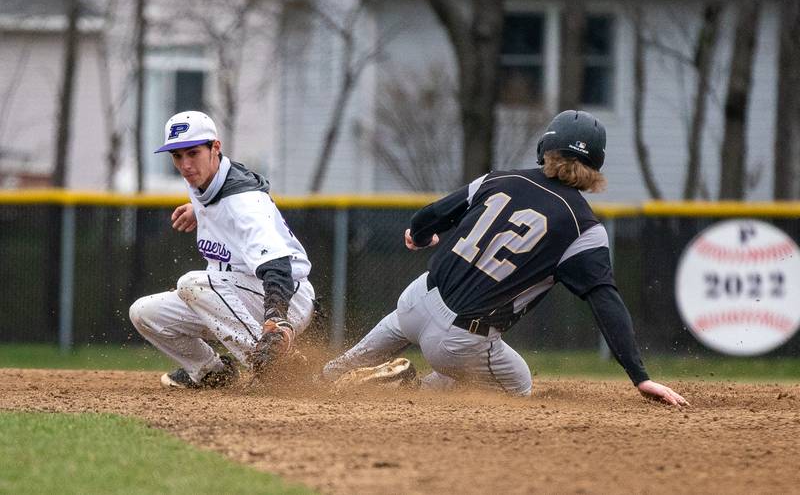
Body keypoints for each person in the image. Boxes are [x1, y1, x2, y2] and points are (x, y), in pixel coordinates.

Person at [323, 110, 688, 406]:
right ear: (596, 167)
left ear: (546, 148)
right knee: (519, 386)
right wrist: (640, 377)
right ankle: (407, 390)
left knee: (395, 324)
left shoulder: (499, 178)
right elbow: (606, 302)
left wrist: (420, 237)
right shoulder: (584, 228)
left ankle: (328, 375)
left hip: (417, 300)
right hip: (461, 340)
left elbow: (428, 215)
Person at [129, 111, 315, 389]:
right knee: (144, 313)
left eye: (192, 153)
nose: (185, 165)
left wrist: (276, 318)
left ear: (215, 147)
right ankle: (212, 372)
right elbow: (221, 198)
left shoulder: (245, 203)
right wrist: (200, 211)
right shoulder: (208, 181)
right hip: (234, 296)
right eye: (177, 156)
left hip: (285, 296)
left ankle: (276, 368)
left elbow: (278, 266)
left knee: (192, 283)